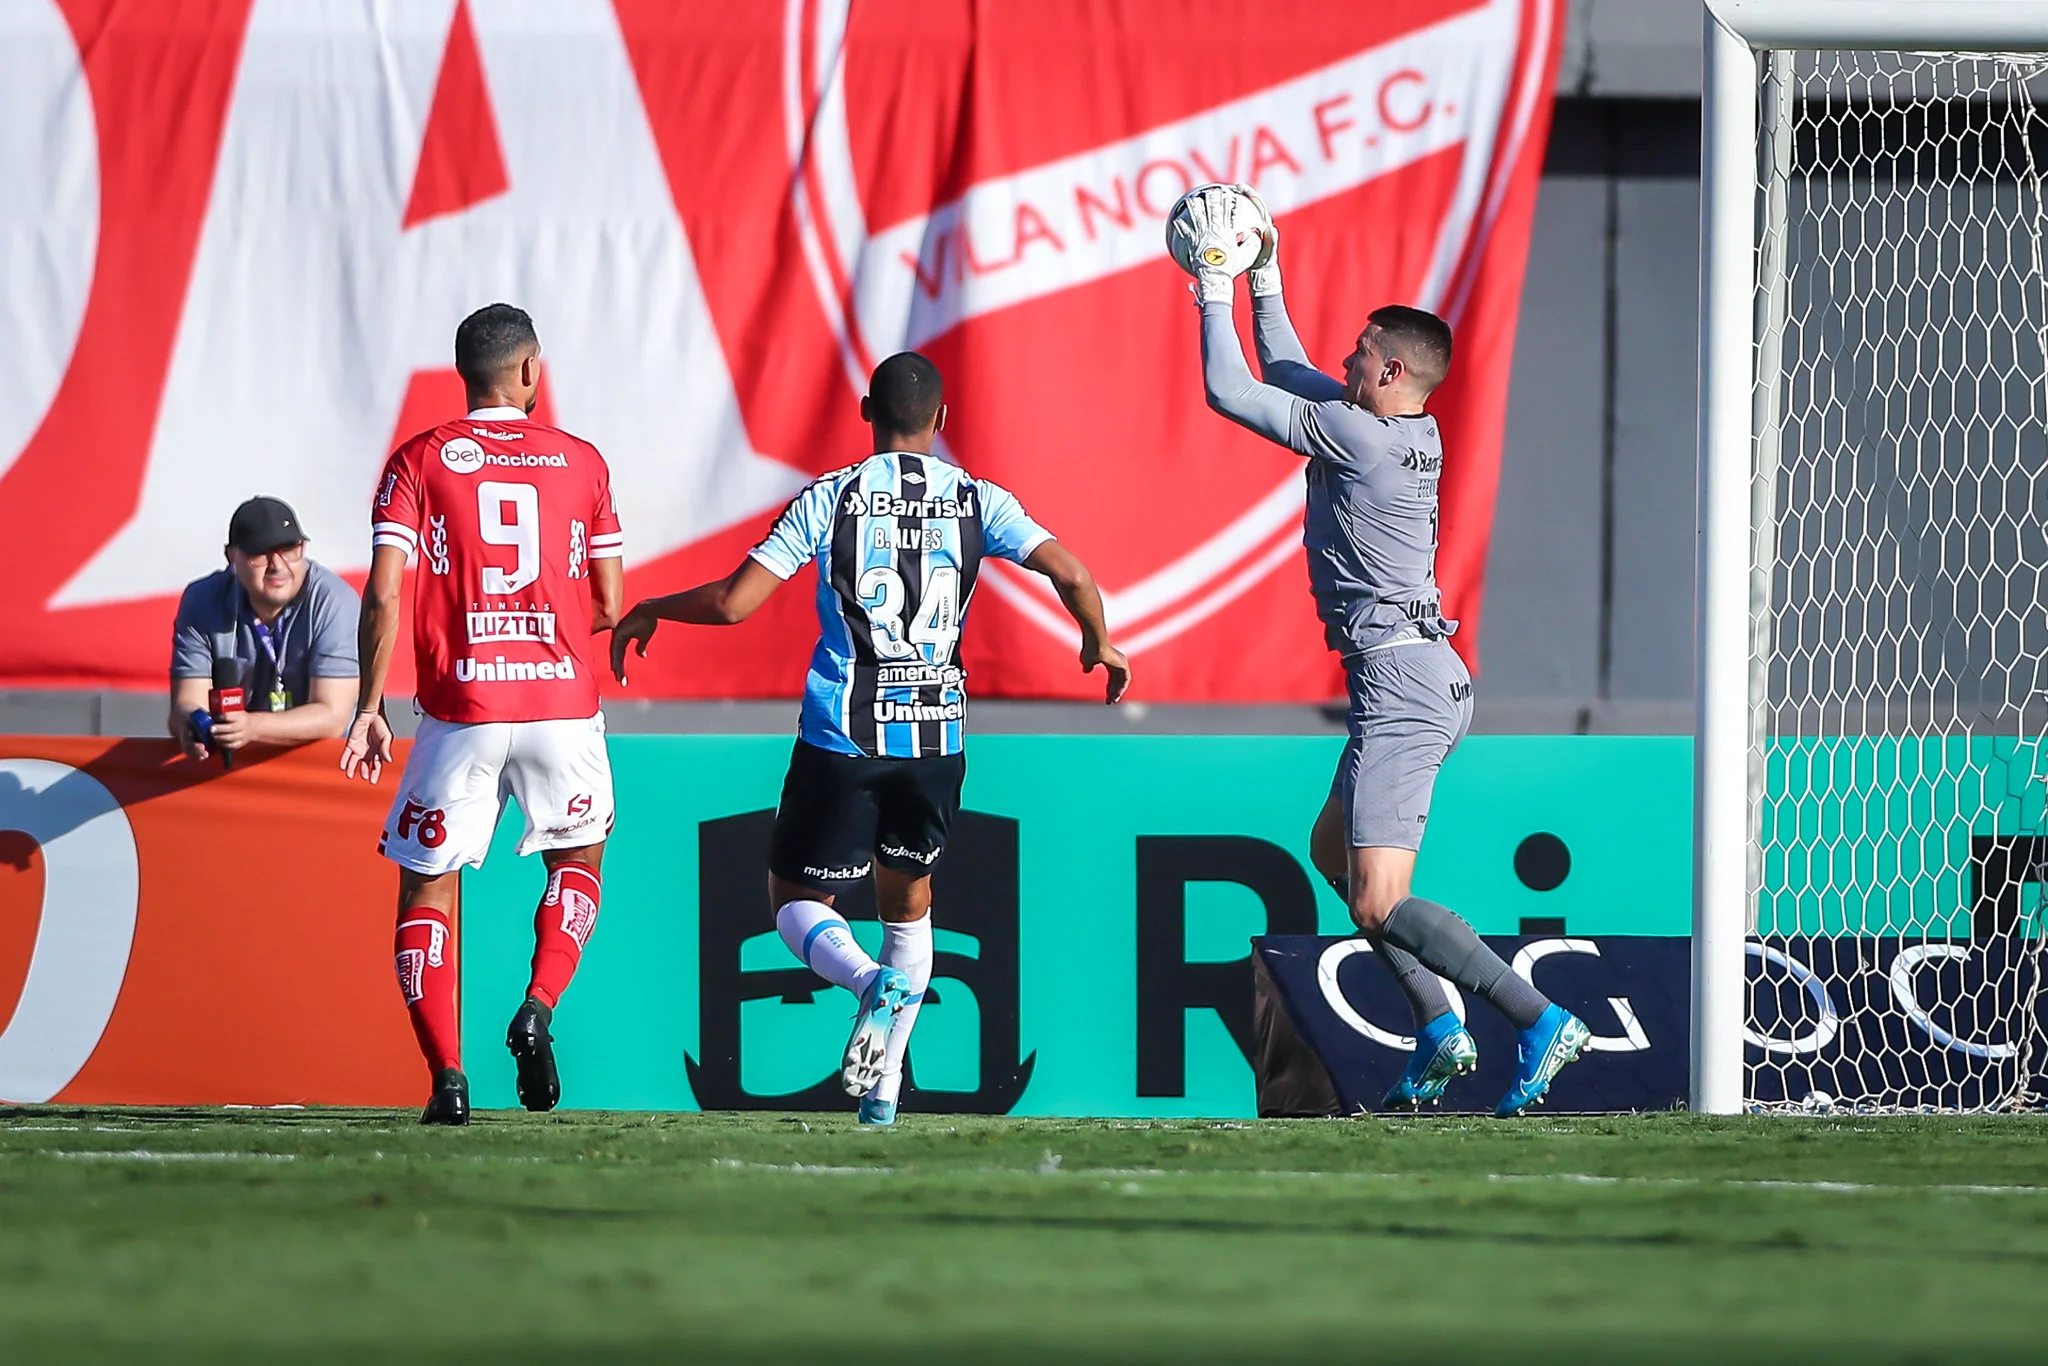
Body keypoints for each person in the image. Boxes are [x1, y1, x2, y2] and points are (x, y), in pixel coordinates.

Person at [611, 351, 1129, 1127]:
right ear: (942, 422)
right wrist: (1097, 641)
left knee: (793, 900)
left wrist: (652, 606)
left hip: (843, 739)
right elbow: (1074, 573)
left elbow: (732, 603)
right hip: (936, 743)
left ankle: (863, 985)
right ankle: (882, 1095)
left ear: (865, 413)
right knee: (908, 910)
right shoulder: (978, 499)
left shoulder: (831, 499)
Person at [1181, 187, 1588, 1117]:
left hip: (1402, 681)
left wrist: (1214, 287)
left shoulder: (1360, 438)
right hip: (1410, 675)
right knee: (1333, 850)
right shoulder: (1407, 425)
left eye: (1360, 350)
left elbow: (1233, 388)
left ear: (1393, 368)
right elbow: (1286, 364)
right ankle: (1438, 1028)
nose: (1344, 357)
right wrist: (1267, 270)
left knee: (1375, 900)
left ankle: (1535, 1018)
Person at [339, 303, 625, 1126]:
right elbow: (607, 602)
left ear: (465, 374)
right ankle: (538, 1005)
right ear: (532, 371)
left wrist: (369, 705)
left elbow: (385, 591)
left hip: (461, 705)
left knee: (426, 892)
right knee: (577, 858)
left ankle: (447, 1079)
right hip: (562, 703)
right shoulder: (582, 462)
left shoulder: (419, 460)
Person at [169, 497, 361, 761]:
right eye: (261, 553)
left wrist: (252, 726)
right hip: (232, 765)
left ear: (303, 548)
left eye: (289, 549)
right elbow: (185, 703)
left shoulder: (335, 599)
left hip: (321, 766)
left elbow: (332, 718)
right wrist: (192, 727)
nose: (277, 566)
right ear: (231, 557)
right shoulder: (202, 599)